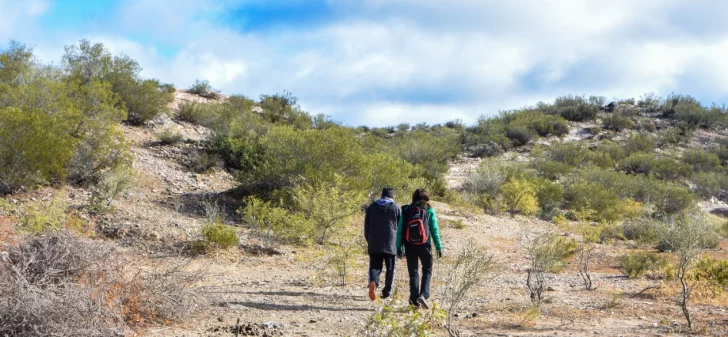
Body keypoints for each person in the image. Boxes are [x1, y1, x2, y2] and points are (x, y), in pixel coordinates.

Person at [396, 188, 442, 309]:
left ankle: (413, 300)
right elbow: (434, 230)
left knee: (413, 273)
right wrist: (438, 246)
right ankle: (424, 294)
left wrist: (398, 246)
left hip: (409, 245)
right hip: (424, 245)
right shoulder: (429, 210)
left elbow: (400, 230)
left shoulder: (406, 209)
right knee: (427, 270)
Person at [364, 187, 401, 301]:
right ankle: (386, 292)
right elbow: (400, 228)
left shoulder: (371, 207)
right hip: (391, 243)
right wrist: (400, 244)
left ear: (382, 195)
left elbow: (366, 227)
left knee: (375, 267)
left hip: (374, 243)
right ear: (392, 196)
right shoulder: (396, 208)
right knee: (390, 268)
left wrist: (369, 240)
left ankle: (373, 282)